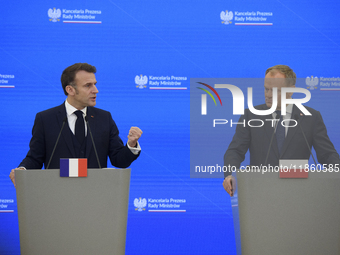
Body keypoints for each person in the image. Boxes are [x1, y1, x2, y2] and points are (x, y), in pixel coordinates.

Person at [9, 63, 142, 187]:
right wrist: (22, 170)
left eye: (95, 84)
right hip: (57, 196)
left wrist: (131, 145)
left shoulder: (104, 118)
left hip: (96, 196)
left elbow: (119, 160)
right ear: (70, 89)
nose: (96, 90)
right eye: (88, 85)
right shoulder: (45, 119)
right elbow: (35, 157)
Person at [223, 65, 340, 196]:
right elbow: (235, 151)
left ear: (290, 91)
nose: (267, 95)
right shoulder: (251, 115)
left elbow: (327, 155)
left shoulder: (310, 117)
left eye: (274, 91)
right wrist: (230, 175)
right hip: (259, 194)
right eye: (266, 89)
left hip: (299, 194)